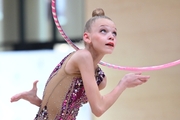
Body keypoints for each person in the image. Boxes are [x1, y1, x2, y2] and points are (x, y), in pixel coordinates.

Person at [11, 8, 150, 120]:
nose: (111, 36)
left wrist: (39, 102)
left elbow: (64, 108)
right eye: (103, 31)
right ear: (86, 37)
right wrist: (123, 83)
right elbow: (98, 109)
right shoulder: (83, 57)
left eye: (114, 33)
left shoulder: (100, 79)